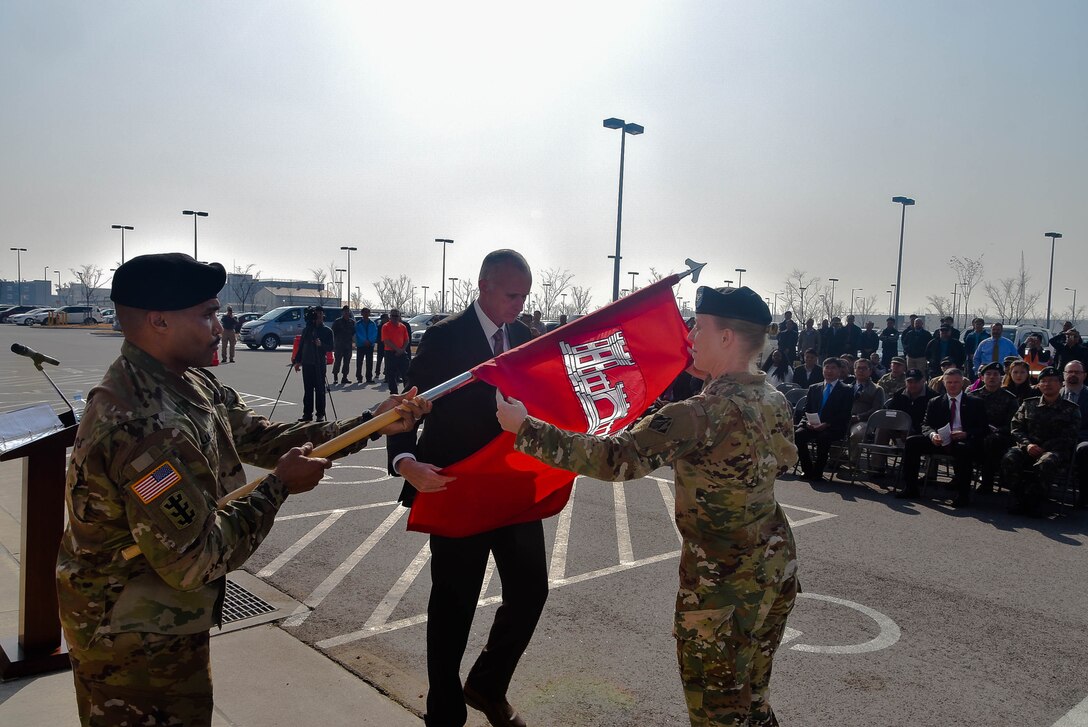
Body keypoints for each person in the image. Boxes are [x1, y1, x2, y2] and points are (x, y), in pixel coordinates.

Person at [56, 253, 427, 727]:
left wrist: (373, 421)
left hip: (156, 618)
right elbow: (195, 558)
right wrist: (277, 489)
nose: (220, 327)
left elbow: (264, 438)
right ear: (159, 321)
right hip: (128, 637)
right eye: (207, 314)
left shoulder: (185, 382)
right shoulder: (143, 425)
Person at [496, 285, 798, 727]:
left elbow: (615, 459)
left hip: (722, 589)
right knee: (753, 701)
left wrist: (525, 428)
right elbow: (785, 461)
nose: (691, 334)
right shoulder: (775, 399)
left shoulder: (698, 412)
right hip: (775, 571)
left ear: (728, 337)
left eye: (701, 326)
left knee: (718, 715)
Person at [388, 250, 543, 727]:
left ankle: (487, 685)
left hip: (513, 489)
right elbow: (405, 405)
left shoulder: (529, 339)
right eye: (511, 295)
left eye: (524, 296)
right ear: (484, 285)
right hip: (456, 487)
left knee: (531, 591)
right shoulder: (444, 338)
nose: (519, 305)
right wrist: (405, 459)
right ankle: (445, 712)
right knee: (454, 606)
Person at [896, 368, 987, 507]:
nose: (953, 385)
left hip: (962, 441)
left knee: (964, 450)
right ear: (944, 383)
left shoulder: (975, 402)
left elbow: (983, 428)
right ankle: (910, 488)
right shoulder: (935, 402)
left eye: (956, 382)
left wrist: (966, 433)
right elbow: (926, 425)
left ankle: (963, 495)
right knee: (912, 442)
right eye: (949, 382)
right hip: (940, 439)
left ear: (962, 382)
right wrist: (932, 435)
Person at [1003, 367, 1081, 515]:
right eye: (1043, 381)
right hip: (1028, 447)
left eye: (1052, 381)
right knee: (1010, 458)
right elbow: (1016, 428)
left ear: (1061, 384)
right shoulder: (1028, 404)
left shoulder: (1071, 409)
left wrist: (1044, 448)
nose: (1047, 384)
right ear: (1038, 385)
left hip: (1055, 451)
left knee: (1046, 462)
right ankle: (1019, 497)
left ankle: (1036, 501)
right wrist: (1028, 444)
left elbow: (1070, 436)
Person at [795, 358, 854, 481]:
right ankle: (807, 469)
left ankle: (818, 471)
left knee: (823, 437)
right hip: (812, 424)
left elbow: (844, 414)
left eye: (833, 368)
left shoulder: (846, 390)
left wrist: (827, 424)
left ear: (839, 371)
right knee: (798, 435)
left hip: (832, 427)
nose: (829, 371)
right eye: (827, 367)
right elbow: (807, 409)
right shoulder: (814, 388)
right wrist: (808, 422)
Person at [968, 362, 1020, 493]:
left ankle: (987, 482)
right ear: (981, 377)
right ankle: (961, 479)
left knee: (992, 441)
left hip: (999, 437)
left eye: (996, 374)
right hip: (975, 433)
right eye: (988, 374)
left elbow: (1013, 424)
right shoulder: (972, 396)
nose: (992, 377)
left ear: (1002, 377)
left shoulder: (1010, 399)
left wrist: (997, 430)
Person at [292, 306, 333, 422]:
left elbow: (331, 347)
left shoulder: (327, 331)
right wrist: (297, 361)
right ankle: (307, 414)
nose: (318, 316)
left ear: (323, 315)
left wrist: (321, 345)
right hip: (307, 362)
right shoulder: (308, 329)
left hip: (319, 363)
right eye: (316, 314)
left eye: (320, 314)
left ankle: (320, 414)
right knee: (308, 390)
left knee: (320, 390)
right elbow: (301, 347)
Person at [1059, 361, 1088, 508]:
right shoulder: (1055, 393)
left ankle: (1084, 497)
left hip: (1081, 439)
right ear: (1063, 375)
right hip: (1056, 438)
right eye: (1069, 372)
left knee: (1085, 450)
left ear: (1084, 375)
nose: (1073, 375)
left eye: (1077, 372)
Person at [847, 358, 886, 465]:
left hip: (864, 422)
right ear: (854, 370)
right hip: (846, 419)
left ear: (870, 371)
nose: (861, 371)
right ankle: (835, 458)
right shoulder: (847, 387)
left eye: (864, 368)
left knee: (856, 434)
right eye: (859, 368)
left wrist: (859, 417)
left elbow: (876, 409)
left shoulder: (877, 389)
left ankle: (853, 461)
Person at [380, 309, 411, 395]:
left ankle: (407, 392)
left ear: (399, 316)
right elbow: (386, 340)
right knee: (391, 374)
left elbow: (406, 340)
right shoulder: (385, 326)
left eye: (396, 316)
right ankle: (394, 393)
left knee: (406, 373)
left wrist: (402, 350)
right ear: (390, 316)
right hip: (390, 353)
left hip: (402, 353)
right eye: (392, 316)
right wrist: (397, 350)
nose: (394, 318)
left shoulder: (403, 327)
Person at [331, 305, 356, 385]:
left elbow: (353, 333)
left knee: (347, 362)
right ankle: (335, 377)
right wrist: (333, 344)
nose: (347, 313)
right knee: (337, 361)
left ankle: (344, 377)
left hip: (348, 345)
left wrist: (353, 342)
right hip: (339, 345)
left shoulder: (352, 322)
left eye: (348, 312)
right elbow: (333, 333)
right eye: (345, 312)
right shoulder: (337, 321)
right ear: (342, 313)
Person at [354, 307, 379, 384]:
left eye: (367, 312)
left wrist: (370, 341)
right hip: (361, 345)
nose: (366, 314)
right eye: (364, 312)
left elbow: (375, 334)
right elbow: (357, 334)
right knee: (359, 362)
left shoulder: (372, 323)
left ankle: (369, 377)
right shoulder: (358, 324)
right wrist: (364, 341)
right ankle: (359, 377)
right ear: (361, 313)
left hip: (370, 345)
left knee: (369, 362)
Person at [374, 312, 389, 379]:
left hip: (388, 345)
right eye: (385, 318)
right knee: (379, 360)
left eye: (387, 318)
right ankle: (377, 373)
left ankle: (386, 372)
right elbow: (378, 336)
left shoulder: (389, 326)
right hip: (381, 345)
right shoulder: (380, 327)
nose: (386, 320)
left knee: (387, 360)